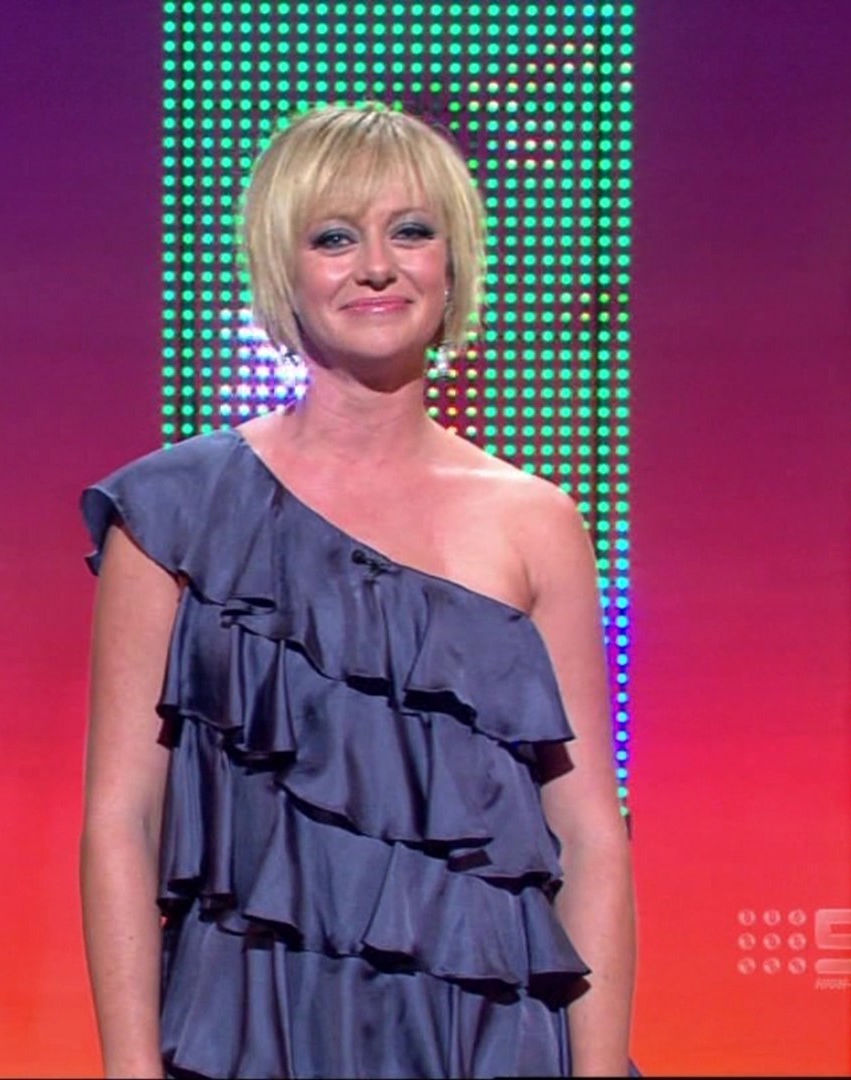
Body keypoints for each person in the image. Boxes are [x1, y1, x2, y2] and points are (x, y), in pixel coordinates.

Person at [79, 102, 636, 1078]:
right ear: (282, 271)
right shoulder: (175, 513)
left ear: (453, 264)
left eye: (410, 231)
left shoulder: (535, 523)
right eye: (334, 238)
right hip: (252, 1035)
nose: (376, 267)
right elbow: (123, 821)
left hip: (484, 1042)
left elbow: (589, 838)